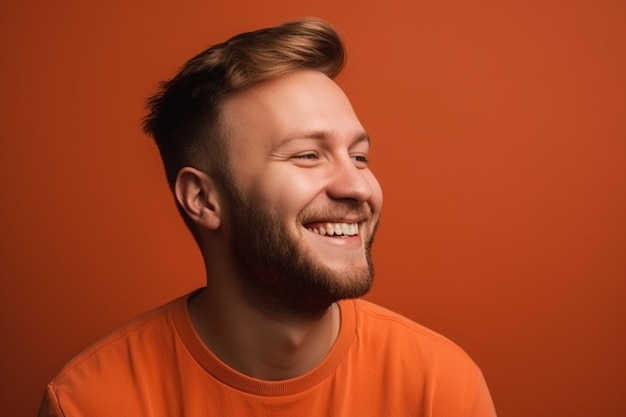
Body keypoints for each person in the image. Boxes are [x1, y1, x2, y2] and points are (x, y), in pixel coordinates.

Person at [38, 17, 497, 416]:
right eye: (306, 155)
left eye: (359, 157)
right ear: (203, 198)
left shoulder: (440, 387)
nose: (359, 187)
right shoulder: (90, 403)